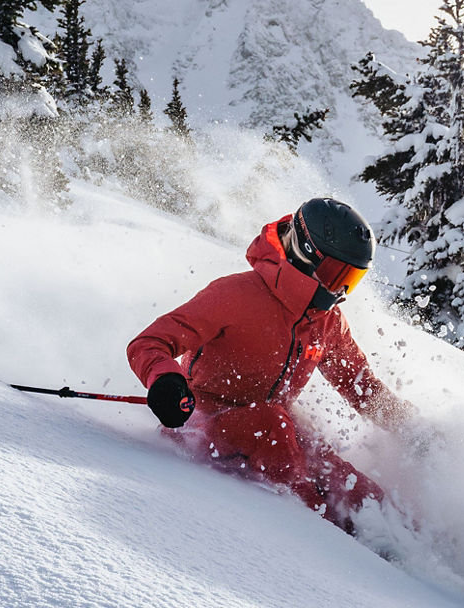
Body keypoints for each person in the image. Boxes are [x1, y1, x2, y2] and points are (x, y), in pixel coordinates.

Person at [126, 197, 414, 532]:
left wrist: (412, 431)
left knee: (342, 475)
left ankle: (404, 536)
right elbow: (149, 343)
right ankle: (332, 533)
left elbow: (360, 386)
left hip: (275, 431)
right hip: (204, 420)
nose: (340, 290)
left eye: (351, 279)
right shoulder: (236, 295)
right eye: (336, 275)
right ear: (307, 253)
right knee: (272, 425)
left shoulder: (327, 321)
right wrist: (165, 382)